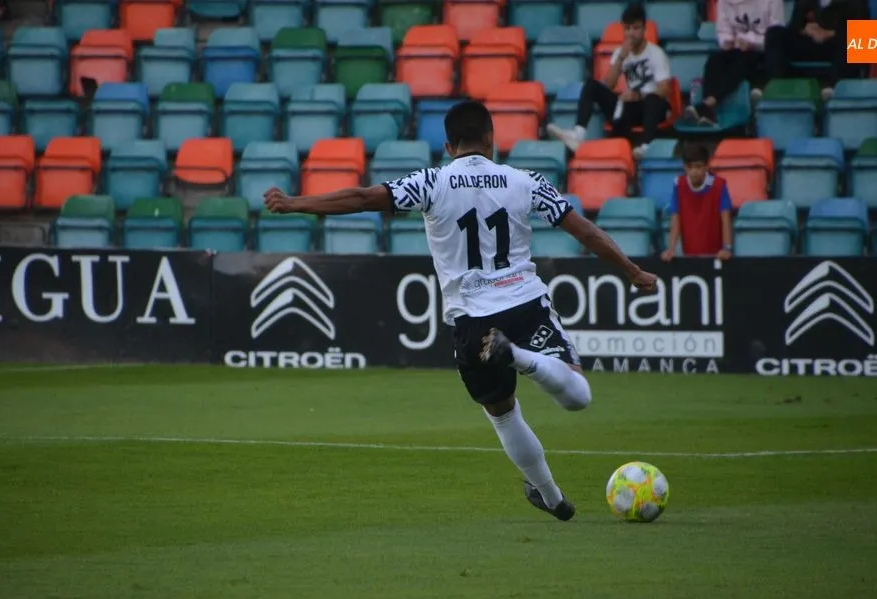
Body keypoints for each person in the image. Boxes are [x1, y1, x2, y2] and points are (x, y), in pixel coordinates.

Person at [265, 101, 658, 522]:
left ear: (449, 146)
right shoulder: (525, 181)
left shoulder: (431, 182)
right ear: (491, 139)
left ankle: (552, 496)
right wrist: (632, 271)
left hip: (473, 321)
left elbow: (363, 198)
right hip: (525, 304)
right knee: (578, 396)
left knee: (503, 413)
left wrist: (294, 202)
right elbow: (585, 231)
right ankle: (521, 357)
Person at [547, 3, 671, 159]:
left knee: (652, 99)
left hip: (654, 107)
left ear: (644, 29)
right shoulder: (621, 52)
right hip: (630, 108)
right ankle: (578, 133)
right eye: (627, 28)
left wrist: (638, 96)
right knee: (592, 85)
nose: (631, 33)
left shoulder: (656, 53)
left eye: (636, 28)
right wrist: (621, 58)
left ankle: (646, 146)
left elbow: (664, 89)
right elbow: (609, 84)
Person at [683, 0, 785, 125]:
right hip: (738, 48)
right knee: (715, 60)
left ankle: (709, 104)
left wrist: (753, 42)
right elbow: (723, 29)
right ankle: (708, 110)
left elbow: (778, 36)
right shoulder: (724, 2)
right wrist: (726, 41)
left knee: (743, 62)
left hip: (766, 52)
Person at [764, 0, 867, 96]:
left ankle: (835, 91)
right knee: (774, 33)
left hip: (840, 45)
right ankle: (776, 89)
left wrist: (831, 33)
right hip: (812, 42)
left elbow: (863, 33)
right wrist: (806, 30)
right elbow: (795, 25)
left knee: (850, 39)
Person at [660, 144, 734, 261]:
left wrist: (727, 248)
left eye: (698, 167)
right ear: (684, 167)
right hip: (690, 255)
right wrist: (671, 249)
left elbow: (725, 219)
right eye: (690, 167)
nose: (694, 171)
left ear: (706, 166)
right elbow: (676, 218)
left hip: (716, 255)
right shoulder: (679, 184)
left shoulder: (719, 185)